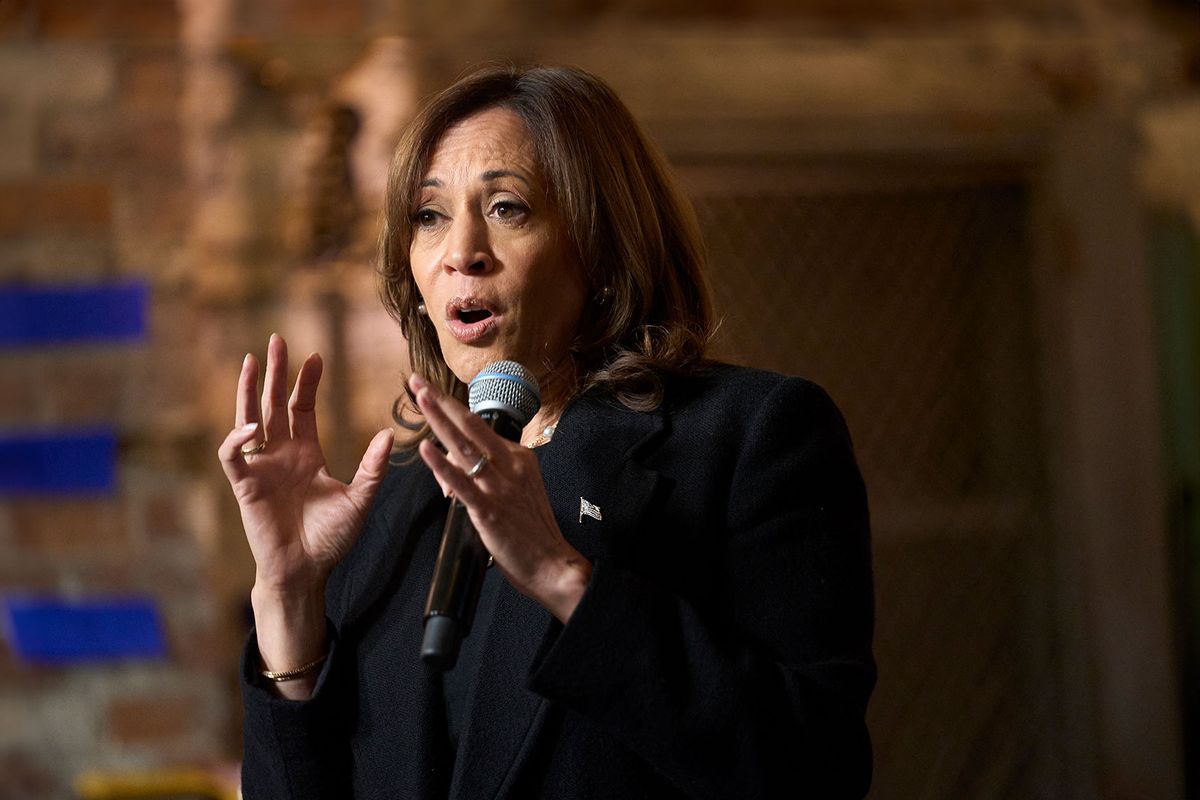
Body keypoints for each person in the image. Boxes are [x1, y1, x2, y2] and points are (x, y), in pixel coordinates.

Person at [220, 63, 875, 800]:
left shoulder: (754, 438)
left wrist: (567, 579)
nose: (460, 252)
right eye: (429, 216)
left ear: (600, 248)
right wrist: (290, 598)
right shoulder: (394, 507)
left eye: (507, 208)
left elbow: (816, 768)